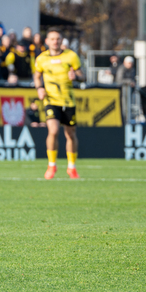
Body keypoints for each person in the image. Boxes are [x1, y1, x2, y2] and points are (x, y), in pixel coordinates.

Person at [33, 28, 85, 179]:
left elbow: (83, 75)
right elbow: (37, 76)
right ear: (47, 41)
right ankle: (51, 165)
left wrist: (76, 76)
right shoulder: (42, 58)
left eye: (58, 39)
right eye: (52, 39)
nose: (55, 41)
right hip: (51, 100)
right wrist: (39, 88)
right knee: (53, 131)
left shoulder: (71, 56)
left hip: (68, 101)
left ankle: (71, 167)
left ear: (61, 41)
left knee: (70, 134)